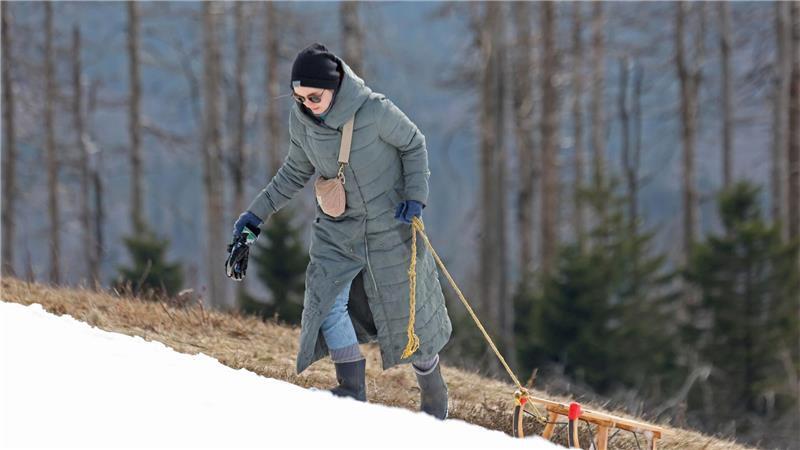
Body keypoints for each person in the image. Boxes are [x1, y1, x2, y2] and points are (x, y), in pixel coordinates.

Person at [231, 43, 452, 420]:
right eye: (299, 98)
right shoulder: (301, 121)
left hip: (389, 225)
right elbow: (293, 172)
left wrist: (416, 197)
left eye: (313, 97)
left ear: (334, 88)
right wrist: (254, 217)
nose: (306, 105)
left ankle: (434, 394)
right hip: (337, 229)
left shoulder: (375, 111)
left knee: (408, 316)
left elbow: (413, 144)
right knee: (326, 298)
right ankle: (351, 389)